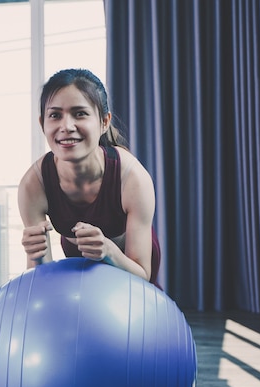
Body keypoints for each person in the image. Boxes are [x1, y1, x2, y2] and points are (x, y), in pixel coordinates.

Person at [18, 68, 160, 284]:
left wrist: (109, 252)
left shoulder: (133, 178)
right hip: (79, 255)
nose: (66, 126)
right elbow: (40, 278)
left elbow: (142, 274)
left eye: (80, 113)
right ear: (42, 124)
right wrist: (36, 255)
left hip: (129, 261)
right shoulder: (33, 184)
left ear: (104, 122)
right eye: (55, 115)